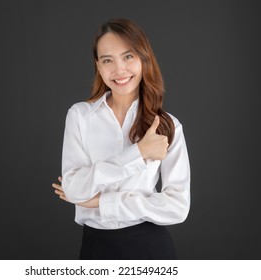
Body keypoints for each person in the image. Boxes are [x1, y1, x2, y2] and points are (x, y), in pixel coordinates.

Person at [51, 18, 190, 260]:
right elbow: (73, 189)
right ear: (98, 65)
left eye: (128, 56)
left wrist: (102, 202)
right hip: (95, 249)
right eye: (108, 60)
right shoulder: (80, 116)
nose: (119, 70)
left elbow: (178, 207)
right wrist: (139, 153)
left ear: (143, 58)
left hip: (151, 249)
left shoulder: (167, 126)